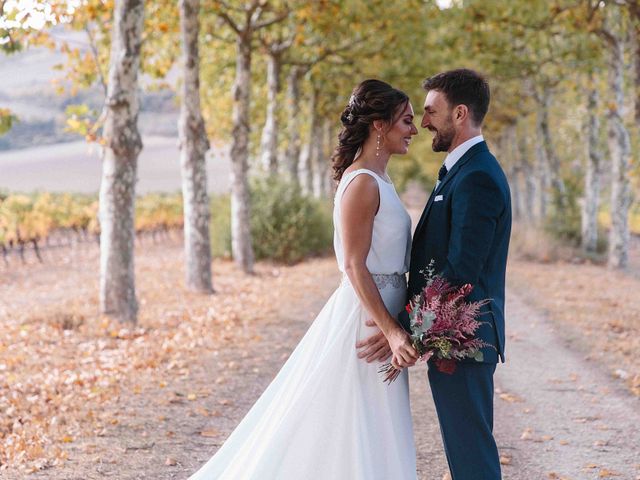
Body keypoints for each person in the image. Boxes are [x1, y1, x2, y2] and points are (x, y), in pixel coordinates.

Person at [188, 79, 420, 480]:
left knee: (374, 423)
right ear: (379, 125)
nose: (413, 130)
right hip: (365, 320)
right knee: (357, 422)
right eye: (406, 121)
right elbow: (352, 264)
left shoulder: (381, 179)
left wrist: (403, 319)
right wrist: (391, 330)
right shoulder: (362, 182)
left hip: (385, 313)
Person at [358, 68, 512, 480]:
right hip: (451, 338)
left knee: (472, 458)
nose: (423, 122)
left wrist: (403, 328)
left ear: (459, 113)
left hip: (466, 340)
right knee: (466, 455)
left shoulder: (477, 177)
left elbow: (460, 271)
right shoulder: (462, 172)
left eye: (430, 111)